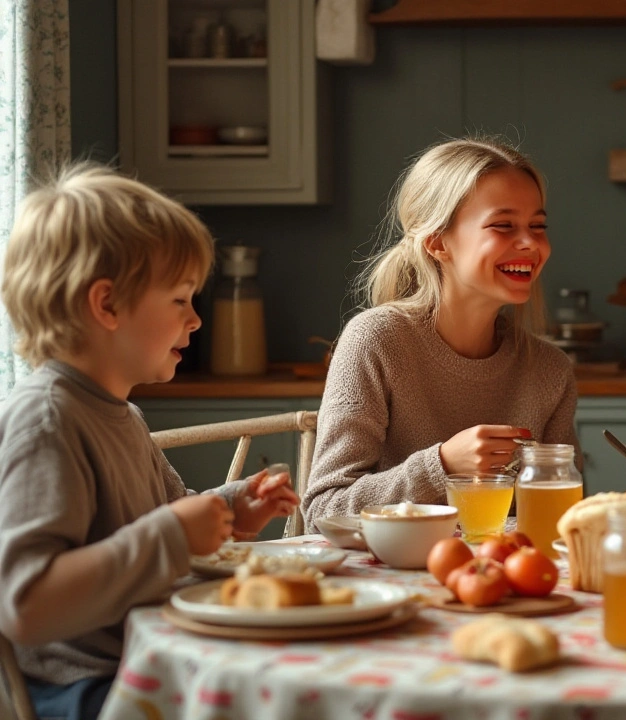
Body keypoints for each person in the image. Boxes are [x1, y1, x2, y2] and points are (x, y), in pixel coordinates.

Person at [0, 163, 299, 720]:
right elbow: (24, 604)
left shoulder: (123, 414)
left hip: (147, 658)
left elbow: (168, 521)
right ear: (107, 305)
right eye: (181, 300)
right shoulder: (46, 421)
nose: (196, 322)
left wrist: (232, 508)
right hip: (83, 690)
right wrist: (173, 533)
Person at [303, 137, 579, 529]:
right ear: (436, 242)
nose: (530, 243)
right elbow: (322, 510)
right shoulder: (376, 341)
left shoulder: (550, 370)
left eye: (538, 226)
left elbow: (561, 521)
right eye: (503, 226)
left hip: (503, 582)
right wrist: (442, 465)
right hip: (389, 583)